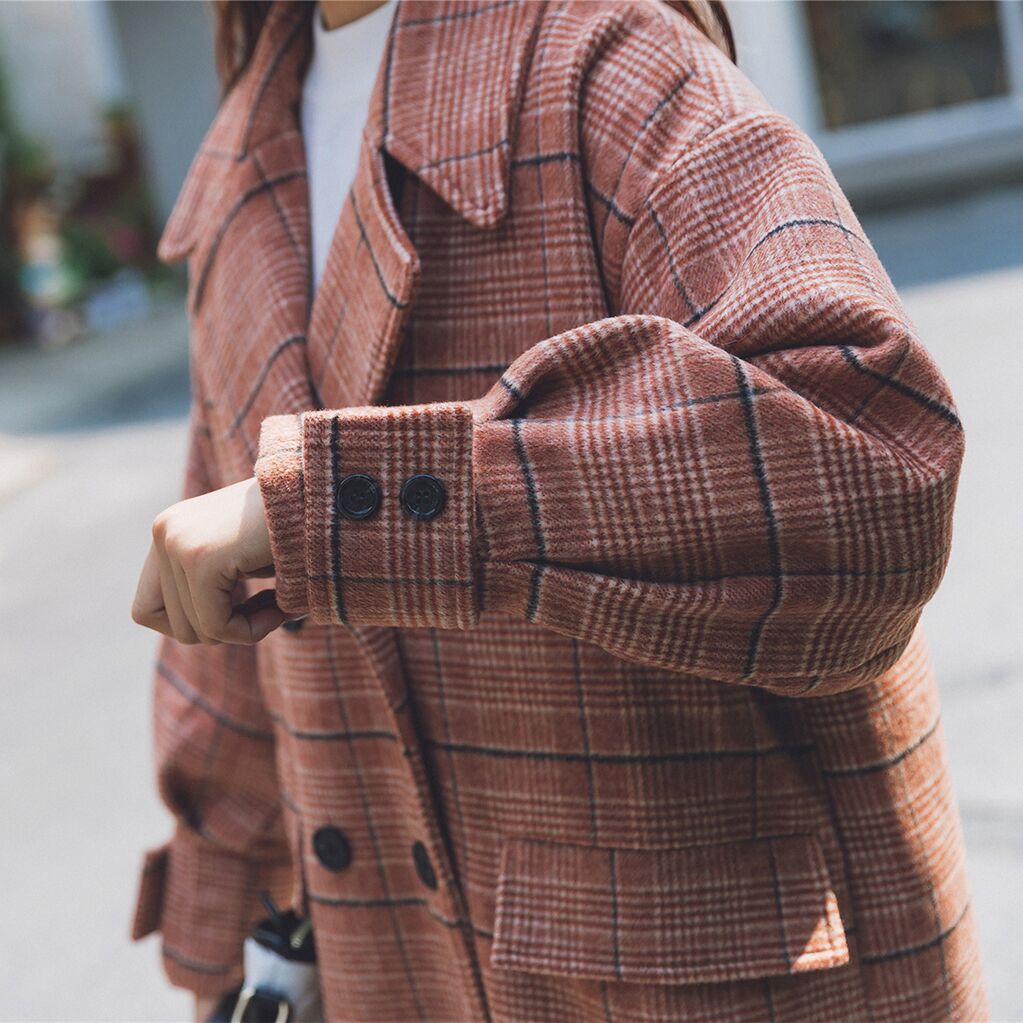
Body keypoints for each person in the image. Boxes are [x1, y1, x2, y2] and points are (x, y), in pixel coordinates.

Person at [129, 1, 988, 1020]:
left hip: (697, 972)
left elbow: (868, 463)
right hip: (391, 971)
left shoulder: (606, 60)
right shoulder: (244, 159)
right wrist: (222, 952)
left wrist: (352, 506)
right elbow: (224, 646)